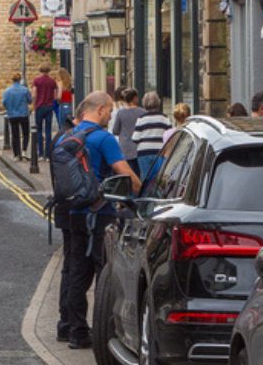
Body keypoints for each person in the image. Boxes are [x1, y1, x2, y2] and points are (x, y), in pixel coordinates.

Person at [53, 91, 140, 348]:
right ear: (100, 109)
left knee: (76, 273)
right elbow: (124, 174)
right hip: (100, 214)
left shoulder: (65, 137)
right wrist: (143, 189)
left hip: (74, 214)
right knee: (106, 274)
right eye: (110, 110)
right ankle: (107, 333)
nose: (111, 115)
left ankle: (75, 330)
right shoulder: (104, 138)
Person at [130, 92, 173, 179]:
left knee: (145, 178)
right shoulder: (165, 118)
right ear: (158, 103)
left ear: (144, 103)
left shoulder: (141, 118)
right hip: (160, 152)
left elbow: (135, 138)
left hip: (144, 152)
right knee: (159, 178)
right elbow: (170, 136)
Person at [109, 89, 144, 171]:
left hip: (125, 149)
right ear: (135, 98)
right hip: (139, 149)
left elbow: (115, 131)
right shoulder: (142, 112)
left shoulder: (121, 113)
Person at [31, 65, 60, 161]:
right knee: (48, 131)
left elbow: (34, 94)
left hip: (39, 107)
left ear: (40, 70)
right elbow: (56, 97)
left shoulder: (36, 80)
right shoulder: (52, 82)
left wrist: (33, 105)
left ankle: (40, 154)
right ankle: (48, 155)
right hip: (49, 107)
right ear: (48, 70)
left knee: (39, 130)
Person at [1, 72, 32, 158]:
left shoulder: (7, 91)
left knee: (15, 135)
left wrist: (9, 108)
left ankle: (16, 154)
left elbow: (3, 103)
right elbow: (30, 101)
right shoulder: (25, 90)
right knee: (26, 133)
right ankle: (24, 150)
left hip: (12, 115)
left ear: (12, 80)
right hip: (23, 114)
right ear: (20, 80)